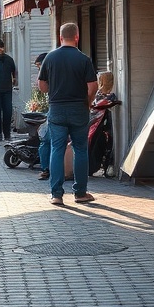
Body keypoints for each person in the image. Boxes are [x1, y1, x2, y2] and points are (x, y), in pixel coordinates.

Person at [39, 22, 98, 206]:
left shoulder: (50, 58)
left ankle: (56, 195)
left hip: (57, 109)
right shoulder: (83, 59)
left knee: (57, 149)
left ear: (60, 37)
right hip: (78, 110)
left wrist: (53, 89)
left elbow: (41, 86)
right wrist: (87, 103)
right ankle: (80, 193)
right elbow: (93, 86)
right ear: (77, 37)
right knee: (80, 150)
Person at [33, 52, 51, 180]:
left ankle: (46, 170)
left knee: (46, 140)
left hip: (56, 111)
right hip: (75, 109)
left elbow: (43, 88)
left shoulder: (48, 72)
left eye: (39, 66)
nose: (39, 69)